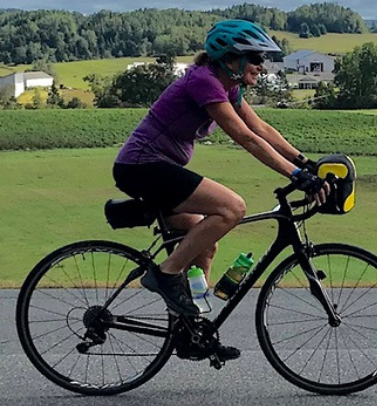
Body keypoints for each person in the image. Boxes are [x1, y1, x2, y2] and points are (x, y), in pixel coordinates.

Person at [112, 19, 328, 316]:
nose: (261, 66)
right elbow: (245, 137)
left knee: (205, 244)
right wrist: (294, 175)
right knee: (232, 208)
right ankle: (165, 273)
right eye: (255, 58)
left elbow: (261, 128)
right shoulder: (204, 82)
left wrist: (304, 163)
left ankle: (189, 327)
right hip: (142, 166)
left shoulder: (228, 87)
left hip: (154, 168)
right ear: (231, 58)